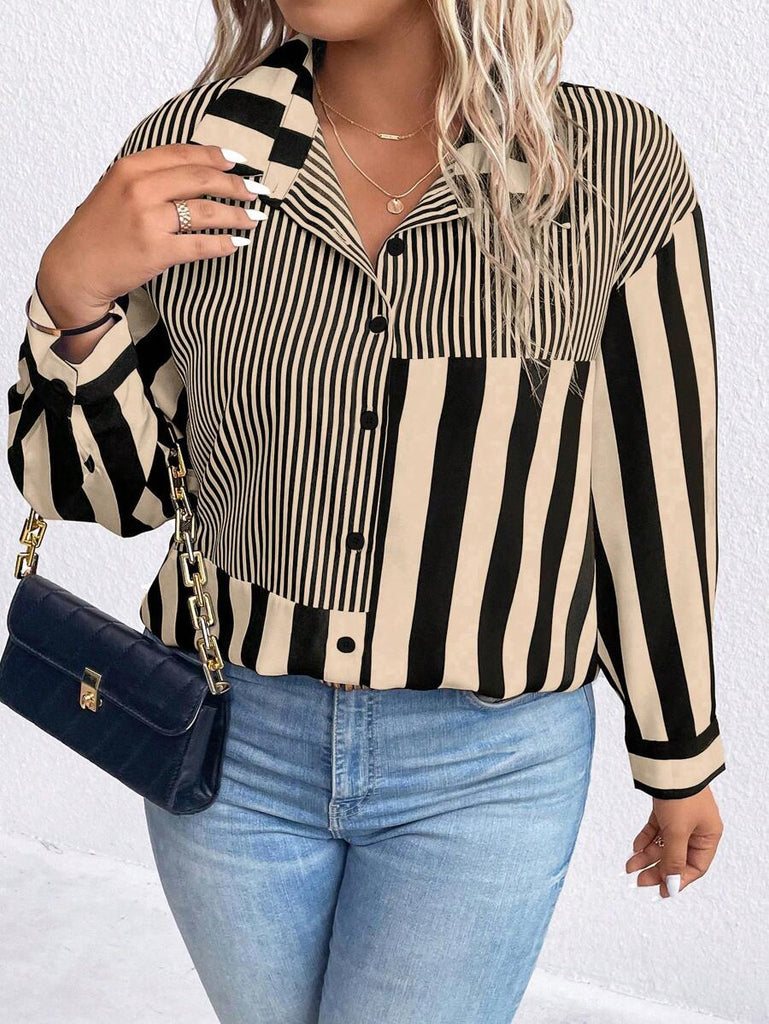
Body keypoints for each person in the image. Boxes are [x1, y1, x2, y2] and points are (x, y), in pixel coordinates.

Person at [7, 2, 726, 1021]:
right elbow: (103, 495)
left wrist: (677, 753)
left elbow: (655, 486)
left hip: (488, 766)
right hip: (225, 746)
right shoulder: (196, 153)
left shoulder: (612, 164)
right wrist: (70, 297)